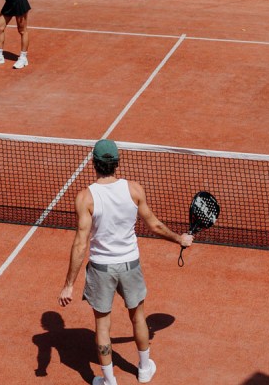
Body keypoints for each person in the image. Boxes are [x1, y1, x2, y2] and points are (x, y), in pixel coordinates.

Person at [58, 139, 193, 385]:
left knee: (102, 326)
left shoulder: (86, 198)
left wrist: (69, 285)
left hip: (101, 269)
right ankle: (144, 369)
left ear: (93, 163)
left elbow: (80, 244)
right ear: (117, 163)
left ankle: (109, 381)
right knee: (138, 317)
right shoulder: (134, 190)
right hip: (130, 264)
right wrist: (179, 239)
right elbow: (154, 225)